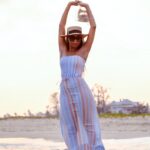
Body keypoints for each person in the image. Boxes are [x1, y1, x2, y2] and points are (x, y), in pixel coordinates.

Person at [58, 1, 105, 150]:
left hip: (80, 89)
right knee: (69, 122)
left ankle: (96, 147)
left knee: (87, 121)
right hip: (65, 90)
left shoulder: (83, 51)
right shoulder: (63, 51)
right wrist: (68, 6)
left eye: (78, 38)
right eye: (72, 38)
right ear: (67, 38)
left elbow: (93, 27)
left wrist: (87, 7)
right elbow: (60, 27)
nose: (76, 40)